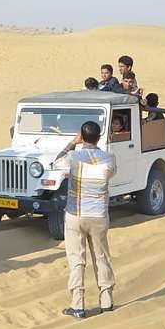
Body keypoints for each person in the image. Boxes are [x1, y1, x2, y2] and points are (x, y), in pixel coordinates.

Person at [53, 121, 117, 318]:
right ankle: (106, 301)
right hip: (98, 215)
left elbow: (56, 161)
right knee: (101, 257)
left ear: (82, 136)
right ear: (99, 137)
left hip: (75, 215)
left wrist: (73, 142)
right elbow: (111, 172)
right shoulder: (109, 158)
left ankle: (78, 305)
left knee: (76, 260)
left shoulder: (74, 157)